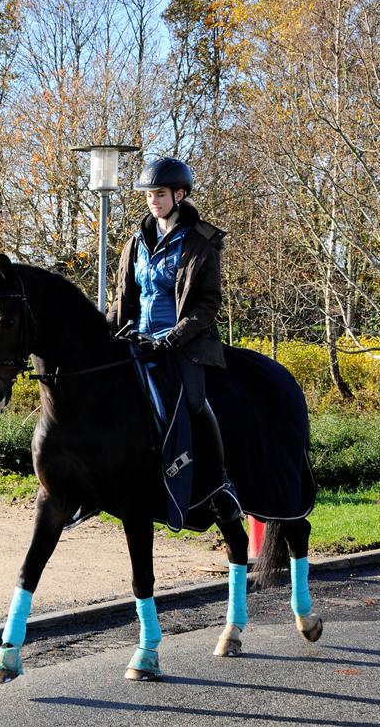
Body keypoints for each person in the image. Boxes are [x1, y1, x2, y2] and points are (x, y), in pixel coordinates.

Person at [106, 156, 238, 522]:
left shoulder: (200, 242)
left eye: (160, 194)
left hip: (185, 343)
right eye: (149, 195)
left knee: (196, 402)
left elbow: (207, 303)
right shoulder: (136, 240)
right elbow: (122, 297)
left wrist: (172, 338)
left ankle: (220, 481)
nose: (153, 200)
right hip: (138, 338)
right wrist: (108, 335)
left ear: (180, 195)